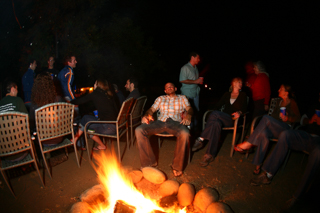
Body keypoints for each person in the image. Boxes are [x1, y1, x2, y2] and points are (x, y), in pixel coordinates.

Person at [235, 84, 301, 174]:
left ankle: (249, 143)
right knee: (263, 134)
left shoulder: (292, 102)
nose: (278, 90)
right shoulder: (279, 102)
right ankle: (258, 165)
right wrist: (278, 117)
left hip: (285, 130)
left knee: (266, 118)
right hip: (275, 128)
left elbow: (298, 118)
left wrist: (287, 118)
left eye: (280, 89)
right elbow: (273, 116)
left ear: (286, 93)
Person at [250, 129, 320, 211]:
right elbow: (301, 120)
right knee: (285, 134)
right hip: (307, 135)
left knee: (318, 153)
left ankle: (298, 197)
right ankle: (268, 174)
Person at [135, 82, 193, 177]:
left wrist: (189, 115)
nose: (169, 88)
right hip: (160, 122)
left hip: (175, 123)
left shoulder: (182, 98)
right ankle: (149, 163)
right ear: (165, 91)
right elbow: (151, 109)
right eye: (167, 87)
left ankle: (177, 167)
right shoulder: (160, 98)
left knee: (185, 133)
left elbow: (189, 108)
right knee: (139, 130)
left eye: (171, 86)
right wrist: (146, 115)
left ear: (175, 89)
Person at [192, 77, 247, 166]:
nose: (241, 84)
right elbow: (217, 106)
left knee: (215, 114)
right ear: (233, 83)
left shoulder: (243, 95)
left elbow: (245, 108)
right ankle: (209, 155)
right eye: (239, 82)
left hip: (233, 119)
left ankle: (201, 138)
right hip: (222, 118)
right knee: (216, 123)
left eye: (241, 82)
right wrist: (213, 112)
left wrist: (239, 112)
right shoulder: (226, 94)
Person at [71, 79, 119, 150]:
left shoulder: (95, 93)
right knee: (86, 118)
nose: (93, 85)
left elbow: (80, 100)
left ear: (97, 85)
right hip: (116, 125)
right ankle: (75, 138)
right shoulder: (109, 94)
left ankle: (75, 139)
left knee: (87, 127)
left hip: (108, 127)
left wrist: (69, 101)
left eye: (95, 83)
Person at [0, 80, 28, 162]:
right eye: (17, 89)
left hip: (5, 155)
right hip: (21, 150)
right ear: (13, 89)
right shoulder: (17, 100)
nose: (17, 92)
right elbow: (27, 120)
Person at [179, 52, 203, 129]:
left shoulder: (195, 68)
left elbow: (195, 80)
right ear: (193, 57)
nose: (199, 60)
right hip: (187, 93)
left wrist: (198, 81)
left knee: (196, 111)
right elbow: (182, 80)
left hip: (195, 92)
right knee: (188, 111)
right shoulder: (185, 68)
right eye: (198, 58)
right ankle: (187, 129)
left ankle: (194, 129)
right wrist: (195, 81)